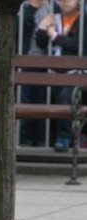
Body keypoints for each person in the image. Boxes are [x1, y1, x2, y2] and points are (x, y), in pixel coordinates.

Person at [35, 0, 85, 151]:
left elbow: (77, 45)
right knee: (41, 96)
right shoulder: (54, 18)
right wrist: (43, 27)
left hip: (76, 73)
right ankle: (43, 140)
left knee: (65, 97)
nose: (65, 2)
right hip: (54, 72)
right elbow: (41, 43)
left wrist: (54, 35)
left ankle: (64, 137)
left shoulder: (83, 19)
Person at [18, 0, 52, 147]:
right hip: (24, 61)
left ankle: (41, 140)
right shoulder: (22, 6)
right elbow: (18, 31)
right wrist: (31, 9)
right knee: (25, 100)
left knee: (43, 100)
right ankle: (24, 139)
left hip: (45, 63)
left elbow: (43, 42)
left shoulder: (52, 7)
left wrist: (44, 28)